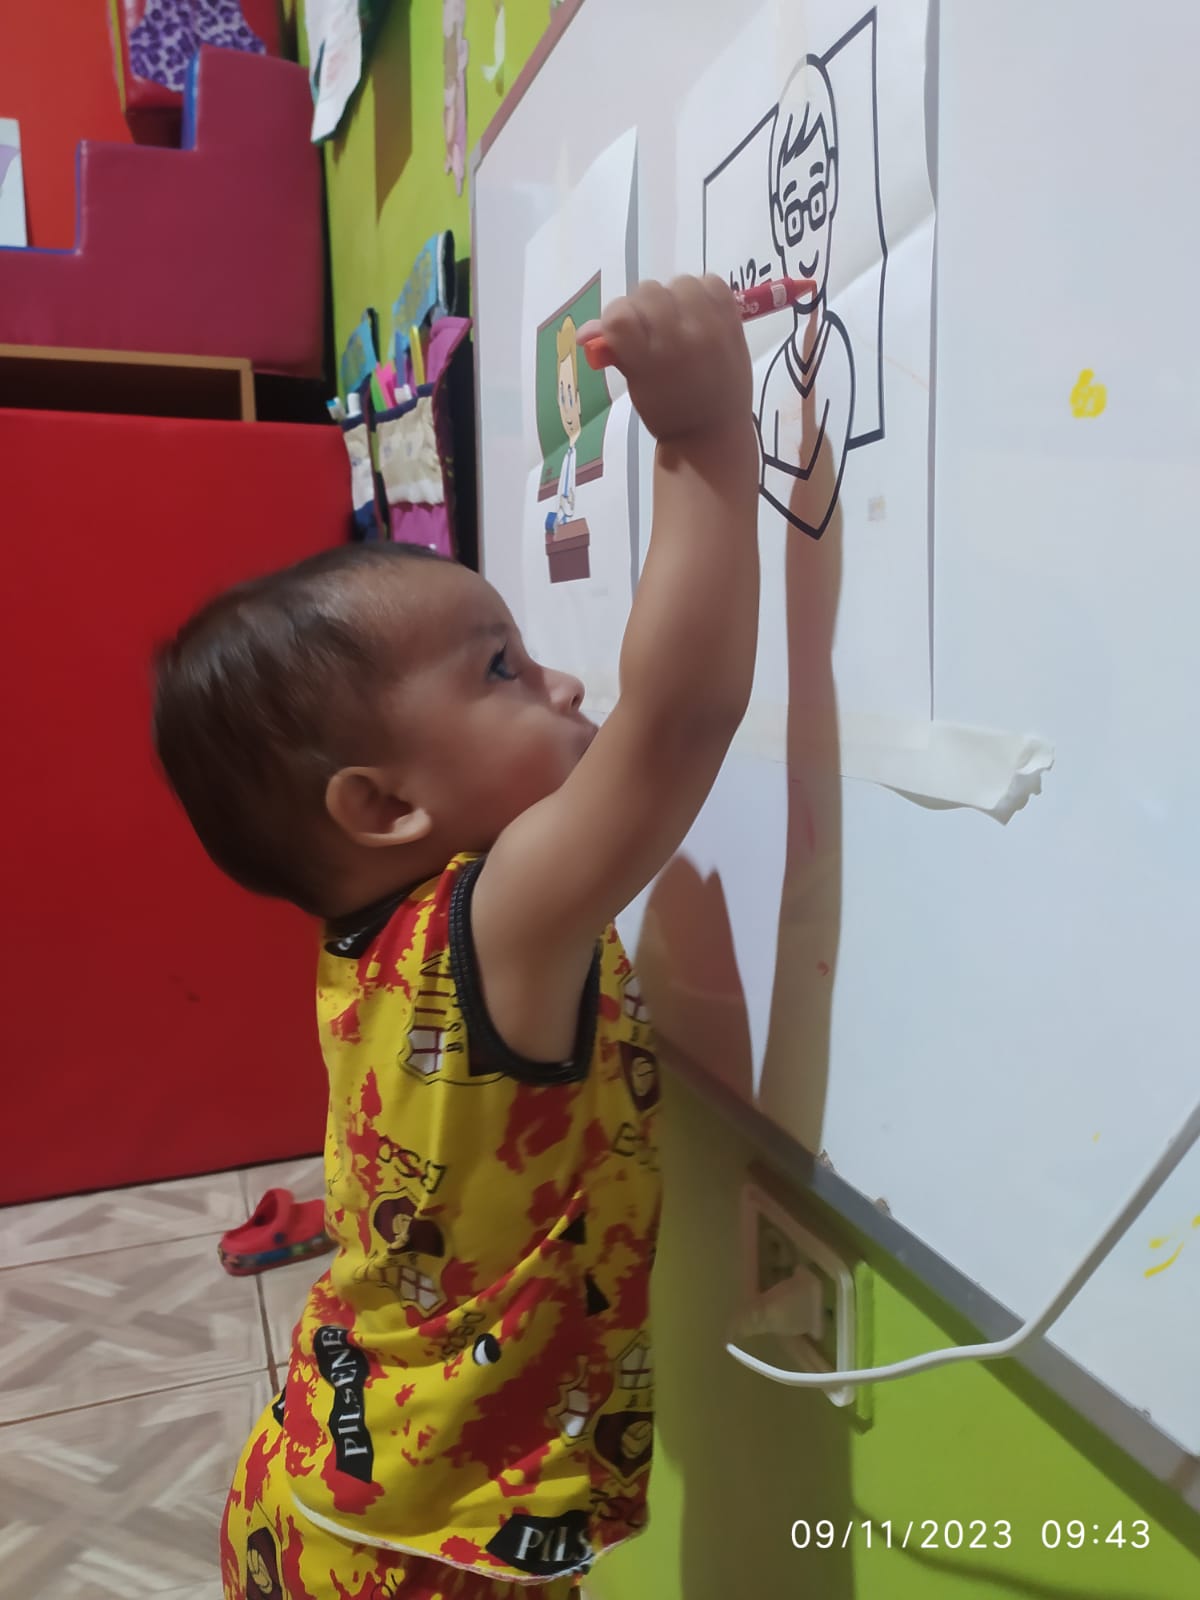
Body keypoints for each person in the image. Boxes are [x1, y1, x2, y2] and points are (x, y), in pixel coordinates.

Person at [152, 274, 758, 1600]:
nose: (565, 681)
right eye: (502, 670)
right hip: (429, 1552)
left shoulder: (381, 939)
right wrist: (705, 436)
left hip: (328, 1485)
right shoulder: (498, 920)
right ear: (383, 808)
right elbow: (677, 719)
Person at [757, 53, 855, 538]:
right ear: (778, 223)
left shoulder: (837, 350)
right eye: (794, 216)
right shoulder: (774, 369)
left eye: (815, 204)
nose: (806, 238)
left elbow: (814, 508)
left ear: (833, 188)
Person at [545, 315, 583, 533]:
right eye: (561, 397)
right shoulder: (565, 454)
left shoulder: (579, 453)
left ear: (579, 400)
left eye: (570, 397)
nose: (566, 408)